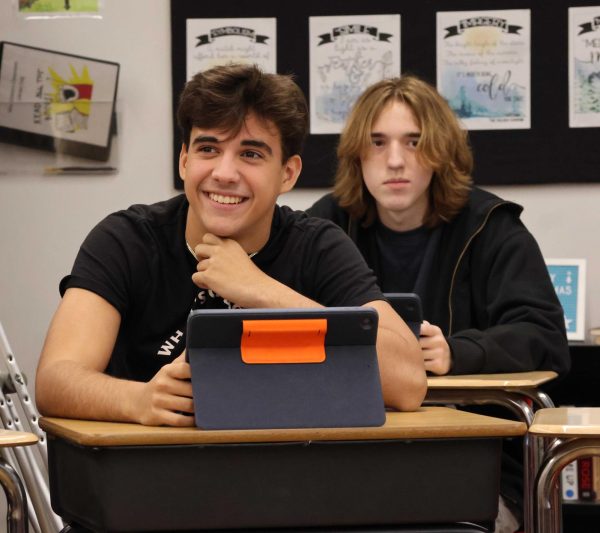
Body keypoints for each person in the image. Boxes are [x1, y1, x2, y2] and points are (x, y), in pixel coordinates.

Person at [35, 64, 426, 428]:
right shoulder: (126, 239)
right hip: (152, 481)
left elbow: (408, 384)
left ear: (287, 174)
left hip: (287, 482)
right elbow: (55, 379)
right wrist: (137, 400)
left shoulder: (319, 246)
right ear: (184, 161)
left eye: (251, 154)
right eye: (208, 149)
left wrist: (262, 291)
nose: (224, 173)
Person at [307, 74, 570, 532]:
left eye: (414, 142)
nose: (395, 161)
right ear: (356, 154)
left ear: (440, 153)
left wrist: (458, 352)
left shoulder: (492, 226)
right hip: (344, 457)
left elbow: (545, 336)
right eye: (377, 143)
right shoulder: (324, 226)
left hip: (467, 464)